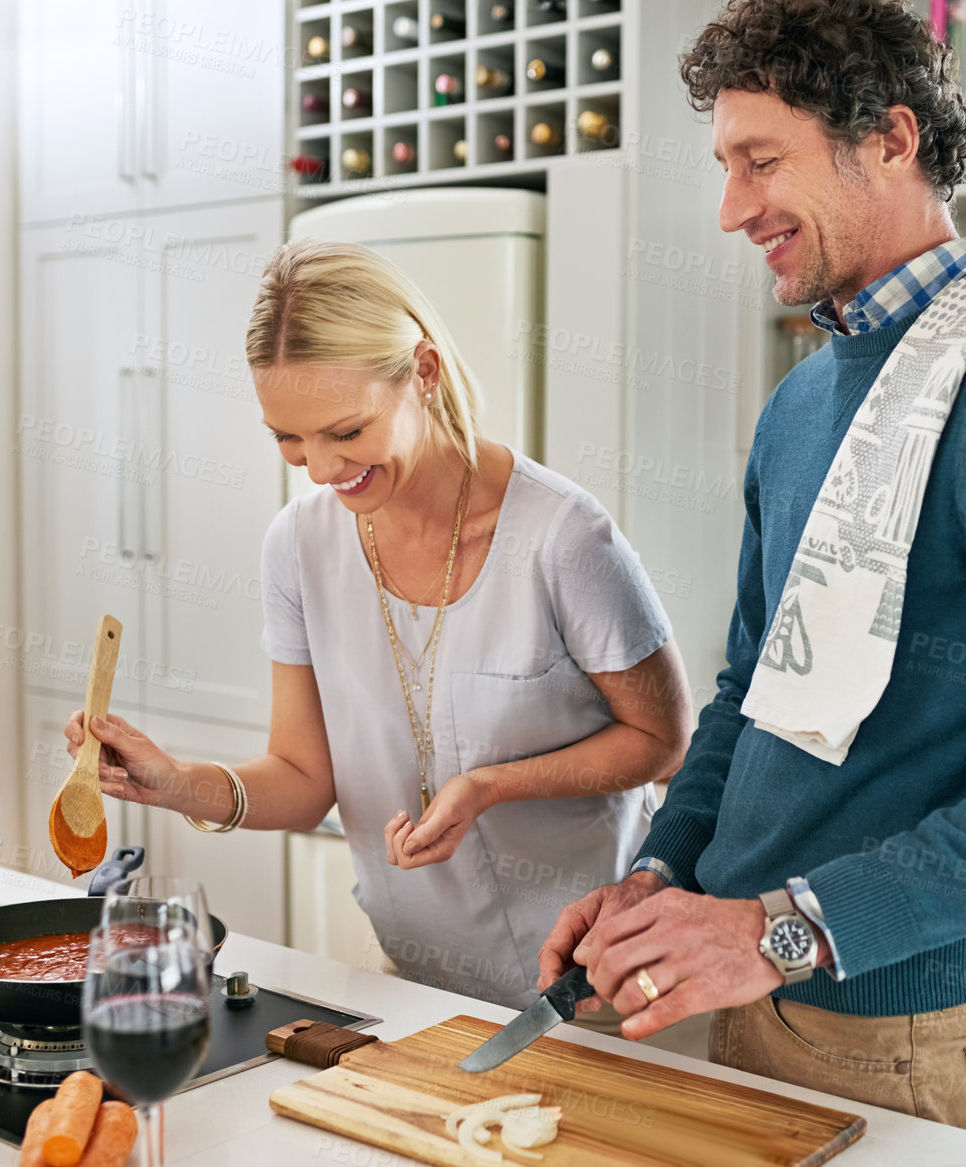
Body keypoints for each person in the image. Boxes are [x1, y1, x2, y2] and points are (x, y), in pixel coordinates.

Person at [538, 0, 966, 1141]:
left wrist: (776, 933)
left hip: (904, 1042)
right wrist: (660, 873)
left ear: (890, 139)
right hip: (748, 996)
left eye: (760, 162)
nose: (732, 209)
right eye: (726, 167)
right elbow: (752, 693)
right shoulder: (802, 400)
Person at [67, 237, 694, 1010]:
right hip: (418, 986)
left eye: (346, 431)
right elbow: (302, 779)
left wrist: (490, 785)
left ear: (422, 373)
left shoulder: (564, 537)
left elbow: (665, 741)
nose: (321, 468)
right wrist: (175, 783)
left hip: (601, 982)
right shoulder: (298, 545)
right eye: (288, 438)